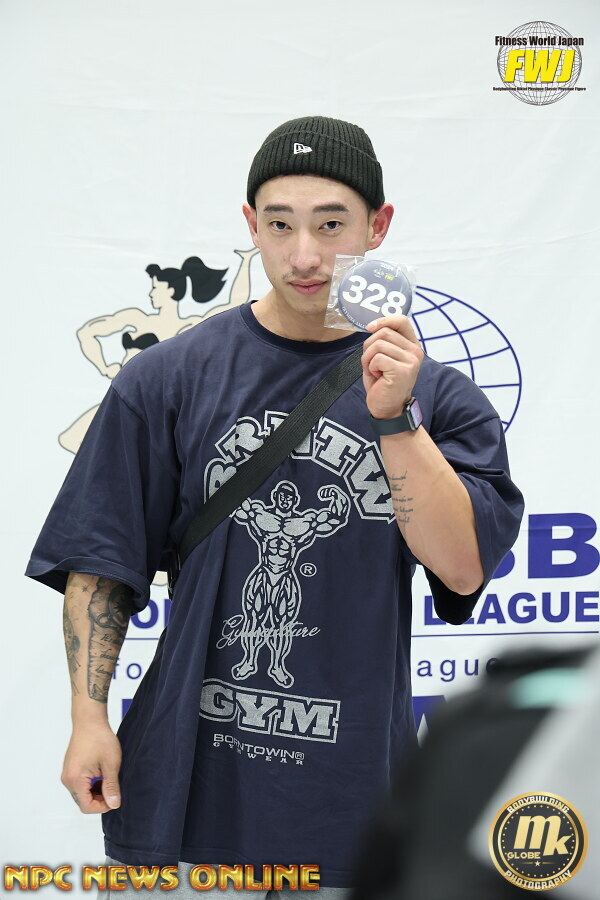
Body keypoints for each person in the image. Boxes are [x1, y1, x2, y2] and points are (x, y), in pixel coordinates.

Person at [26, 116, 524, 896]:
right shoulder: (169, 378)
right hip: (187, 799)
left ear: (378, 227)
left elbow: (462, 566)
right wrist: (89, 719)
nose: (304, 256)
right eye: (281, 224)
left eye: (331, 224)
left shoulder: (440, 400)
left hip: (355, 806)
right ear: (251, 224)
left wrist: (395, 417)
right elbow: (102, 561)